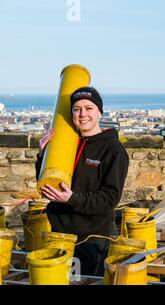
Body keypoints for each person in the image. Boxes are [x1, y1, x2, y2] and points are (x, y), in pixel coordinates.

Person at [35, 87, 129, 276]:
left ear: (99, 112)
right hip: (59, 235)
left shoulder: (113, 150)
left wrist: (72, 199)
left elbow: (110, 198)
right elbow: (45, 184)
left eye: (89, 108)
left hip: (93, 240)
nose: (82, 114)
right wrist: (43, 157)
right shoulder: (66, 144)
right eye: (77, 109)